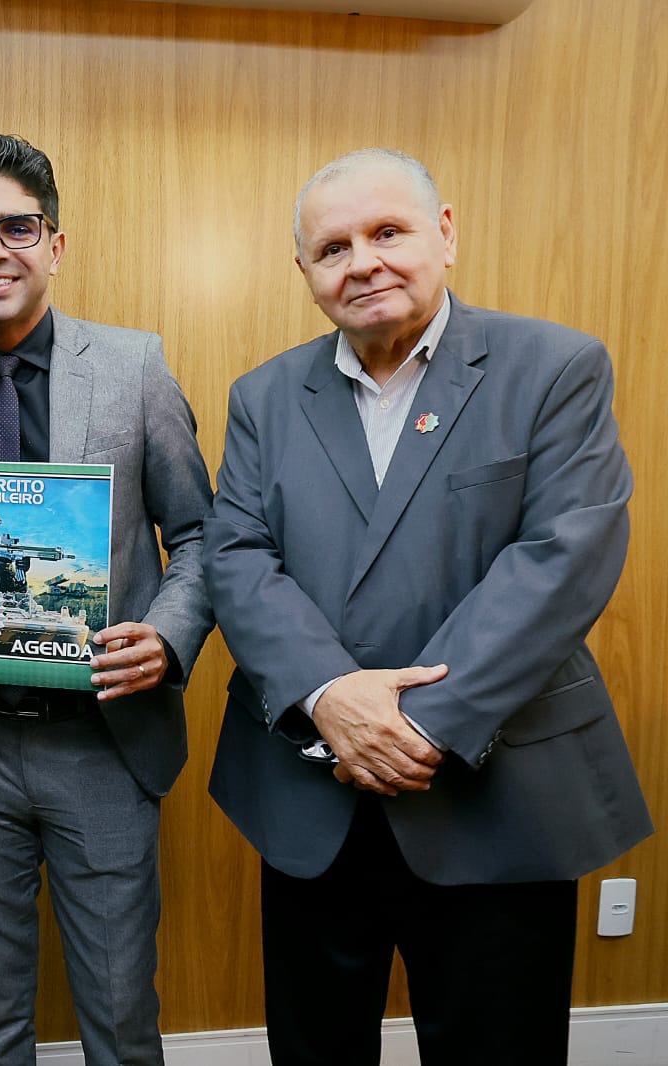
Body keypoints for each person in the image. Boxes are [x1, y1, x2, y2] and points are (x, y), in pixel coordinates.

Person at [204, 147, 653, 1066]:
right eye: (333, 247)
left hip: (495, 792)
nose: (361, 261)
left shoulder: (553, 367)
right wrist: (331, 695)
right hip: (310, 791)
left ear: (443, 235)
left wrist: (414, 727)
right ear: (306, 274)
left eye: (387, 232)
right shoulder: (263, 397)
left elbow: (564, 560)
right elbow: (238, 556)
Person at [0, 132, 214, 1066]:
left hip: (102, 741)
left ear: (56, 244)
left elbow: (200, 537)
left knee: (118, 1016)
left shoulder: (136, 368)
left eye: (17, 227)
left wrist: (168, 634)